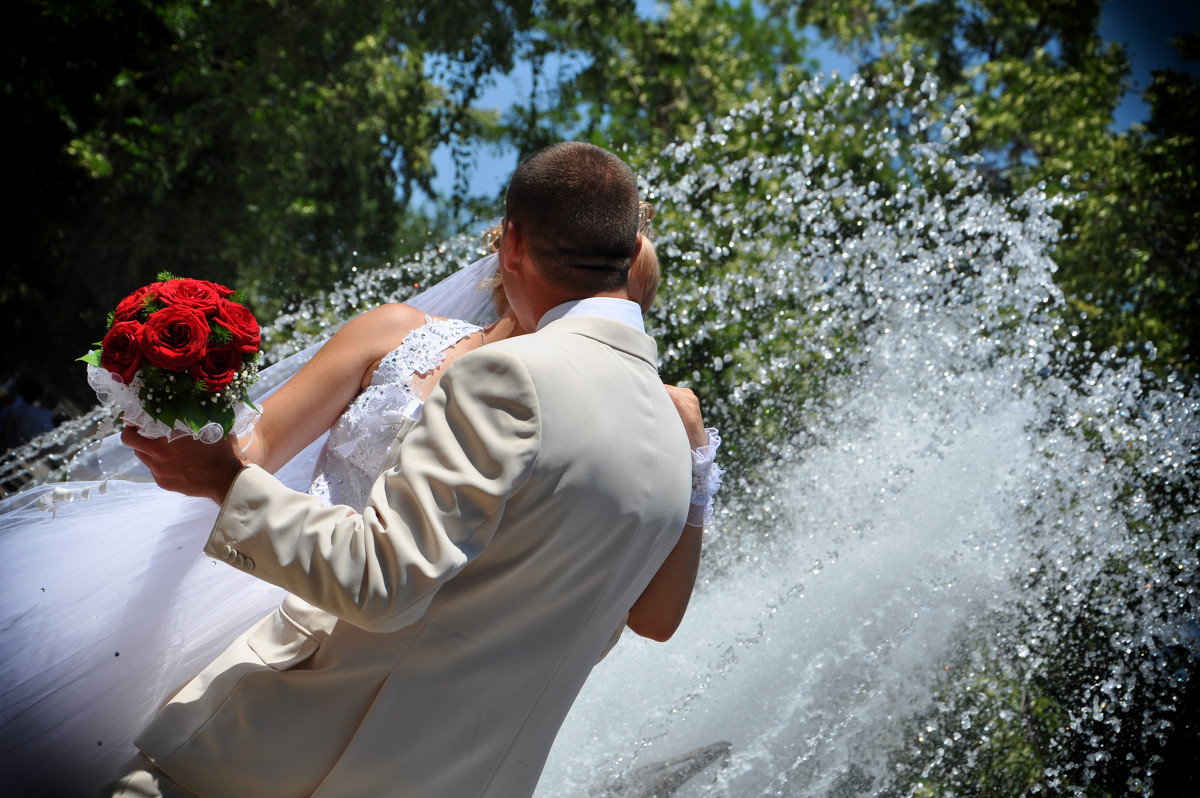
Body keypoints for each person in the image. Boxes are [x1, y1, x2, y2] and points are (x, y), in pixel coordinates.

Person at [106, 141, 708, 797]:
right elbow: (636, 622)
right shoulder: (679, 443)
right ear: (625, 257)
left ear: (510, 243)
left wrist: (222, 479)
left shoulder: (510, 377)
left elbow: (381, 583)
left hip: (271, 754)